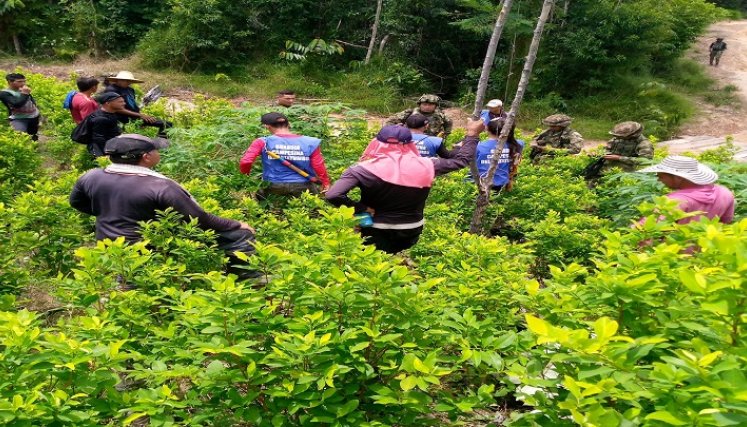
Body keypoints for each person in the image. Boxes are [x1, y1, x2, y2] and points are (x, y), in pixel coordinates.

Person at [69, 134, 260, 280]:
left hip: (108, 243)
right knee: (240, 236)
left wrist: (109, 211)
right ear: (146, 157)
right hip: (148, 245)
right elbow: (199, 220)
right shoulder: (160, 185)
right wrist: (236, 224)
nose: (158, 153)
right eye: (155, 150)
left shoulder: (91, 176)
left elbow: (76, 202)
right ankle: (244, 280)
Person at [325, 119, 484, 254]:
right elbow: (461, 161)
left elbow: (333, 195)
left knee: (373, 260)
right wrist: (472, 135)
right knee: (395, 255)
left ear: (377, 143)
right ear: (410, 143)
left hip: (373, 226)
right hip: (411, 229)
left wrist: (360, 208)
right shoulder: (429, 165)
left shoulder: (360, 169)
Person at [240, 112, 331, 198]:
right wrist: (325, 183)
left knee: (263, 206)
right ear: (289, 124)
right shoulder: (310, 142)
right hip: (303, 184)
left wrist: (245, 177)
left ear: (267, 126)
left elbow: (246, 161)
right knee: (313, 209)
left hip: (273, 184)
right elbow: (318, 165)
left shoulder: (263, 142)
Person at [638, 156, 734, 224]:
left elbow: (647, 227)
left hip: (672, 251)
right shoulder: (725, 193)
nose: (659, 180)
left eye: (661, 176)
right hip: (708, 250)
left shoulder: (674, 201)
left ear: (678, 177)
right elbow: (725, 223)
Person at [104, 71, 171, 137]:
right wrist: (140, 115)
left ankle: (161, 144)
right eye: (125, 81)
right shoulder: (112, 90)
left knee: (166, 124)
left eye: (129, 81)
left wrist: (141, 116)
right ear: (118, 80)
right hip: (121, 119)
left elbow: (133, 105)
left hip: (135, 116)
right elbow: (116, 109)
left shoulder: (130, 90)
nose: (128, 83)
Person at [475, 118, 524, 191]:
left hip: (482, 184)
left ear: (487, 129)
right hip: (504, 183)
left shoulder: (479, 146)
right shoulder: (518, 144)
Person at [386, 94, 453, 140]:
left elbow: (449, 123)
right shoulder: (410, 112)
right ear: (419, 105)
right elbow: (391, 121)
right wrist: (396, 132)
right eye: (424, 104)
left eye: (430, 105)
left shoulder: (440, 115)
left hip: (432, 140)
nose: (427, 107)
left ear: (435, 106)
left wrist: (445, 135)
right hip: (410, 140)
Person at [1, 73, 41, 141]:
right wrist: (25, 93)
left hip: (34, 117)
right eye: (19, 81)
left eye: (24, 81)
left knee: (33, 135)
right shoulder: (5, 93)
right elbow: (17, 104)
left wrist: (36, 110)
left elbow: (31, 100)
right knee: (20, 137)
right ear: (10, 82)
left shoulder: (22, 89)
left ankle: (34, 149)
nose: (23, 83)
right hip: (19, 118)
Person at [85, 92, 126, 157]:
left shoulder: (110, 113)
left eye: (123, 101)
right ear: (108, 103)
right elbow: (98, 139)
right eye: (120, 102)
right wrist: (107, 154)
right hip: (102, 152)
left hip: (112, 146)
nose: (124, 104)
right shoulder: (100, 119)